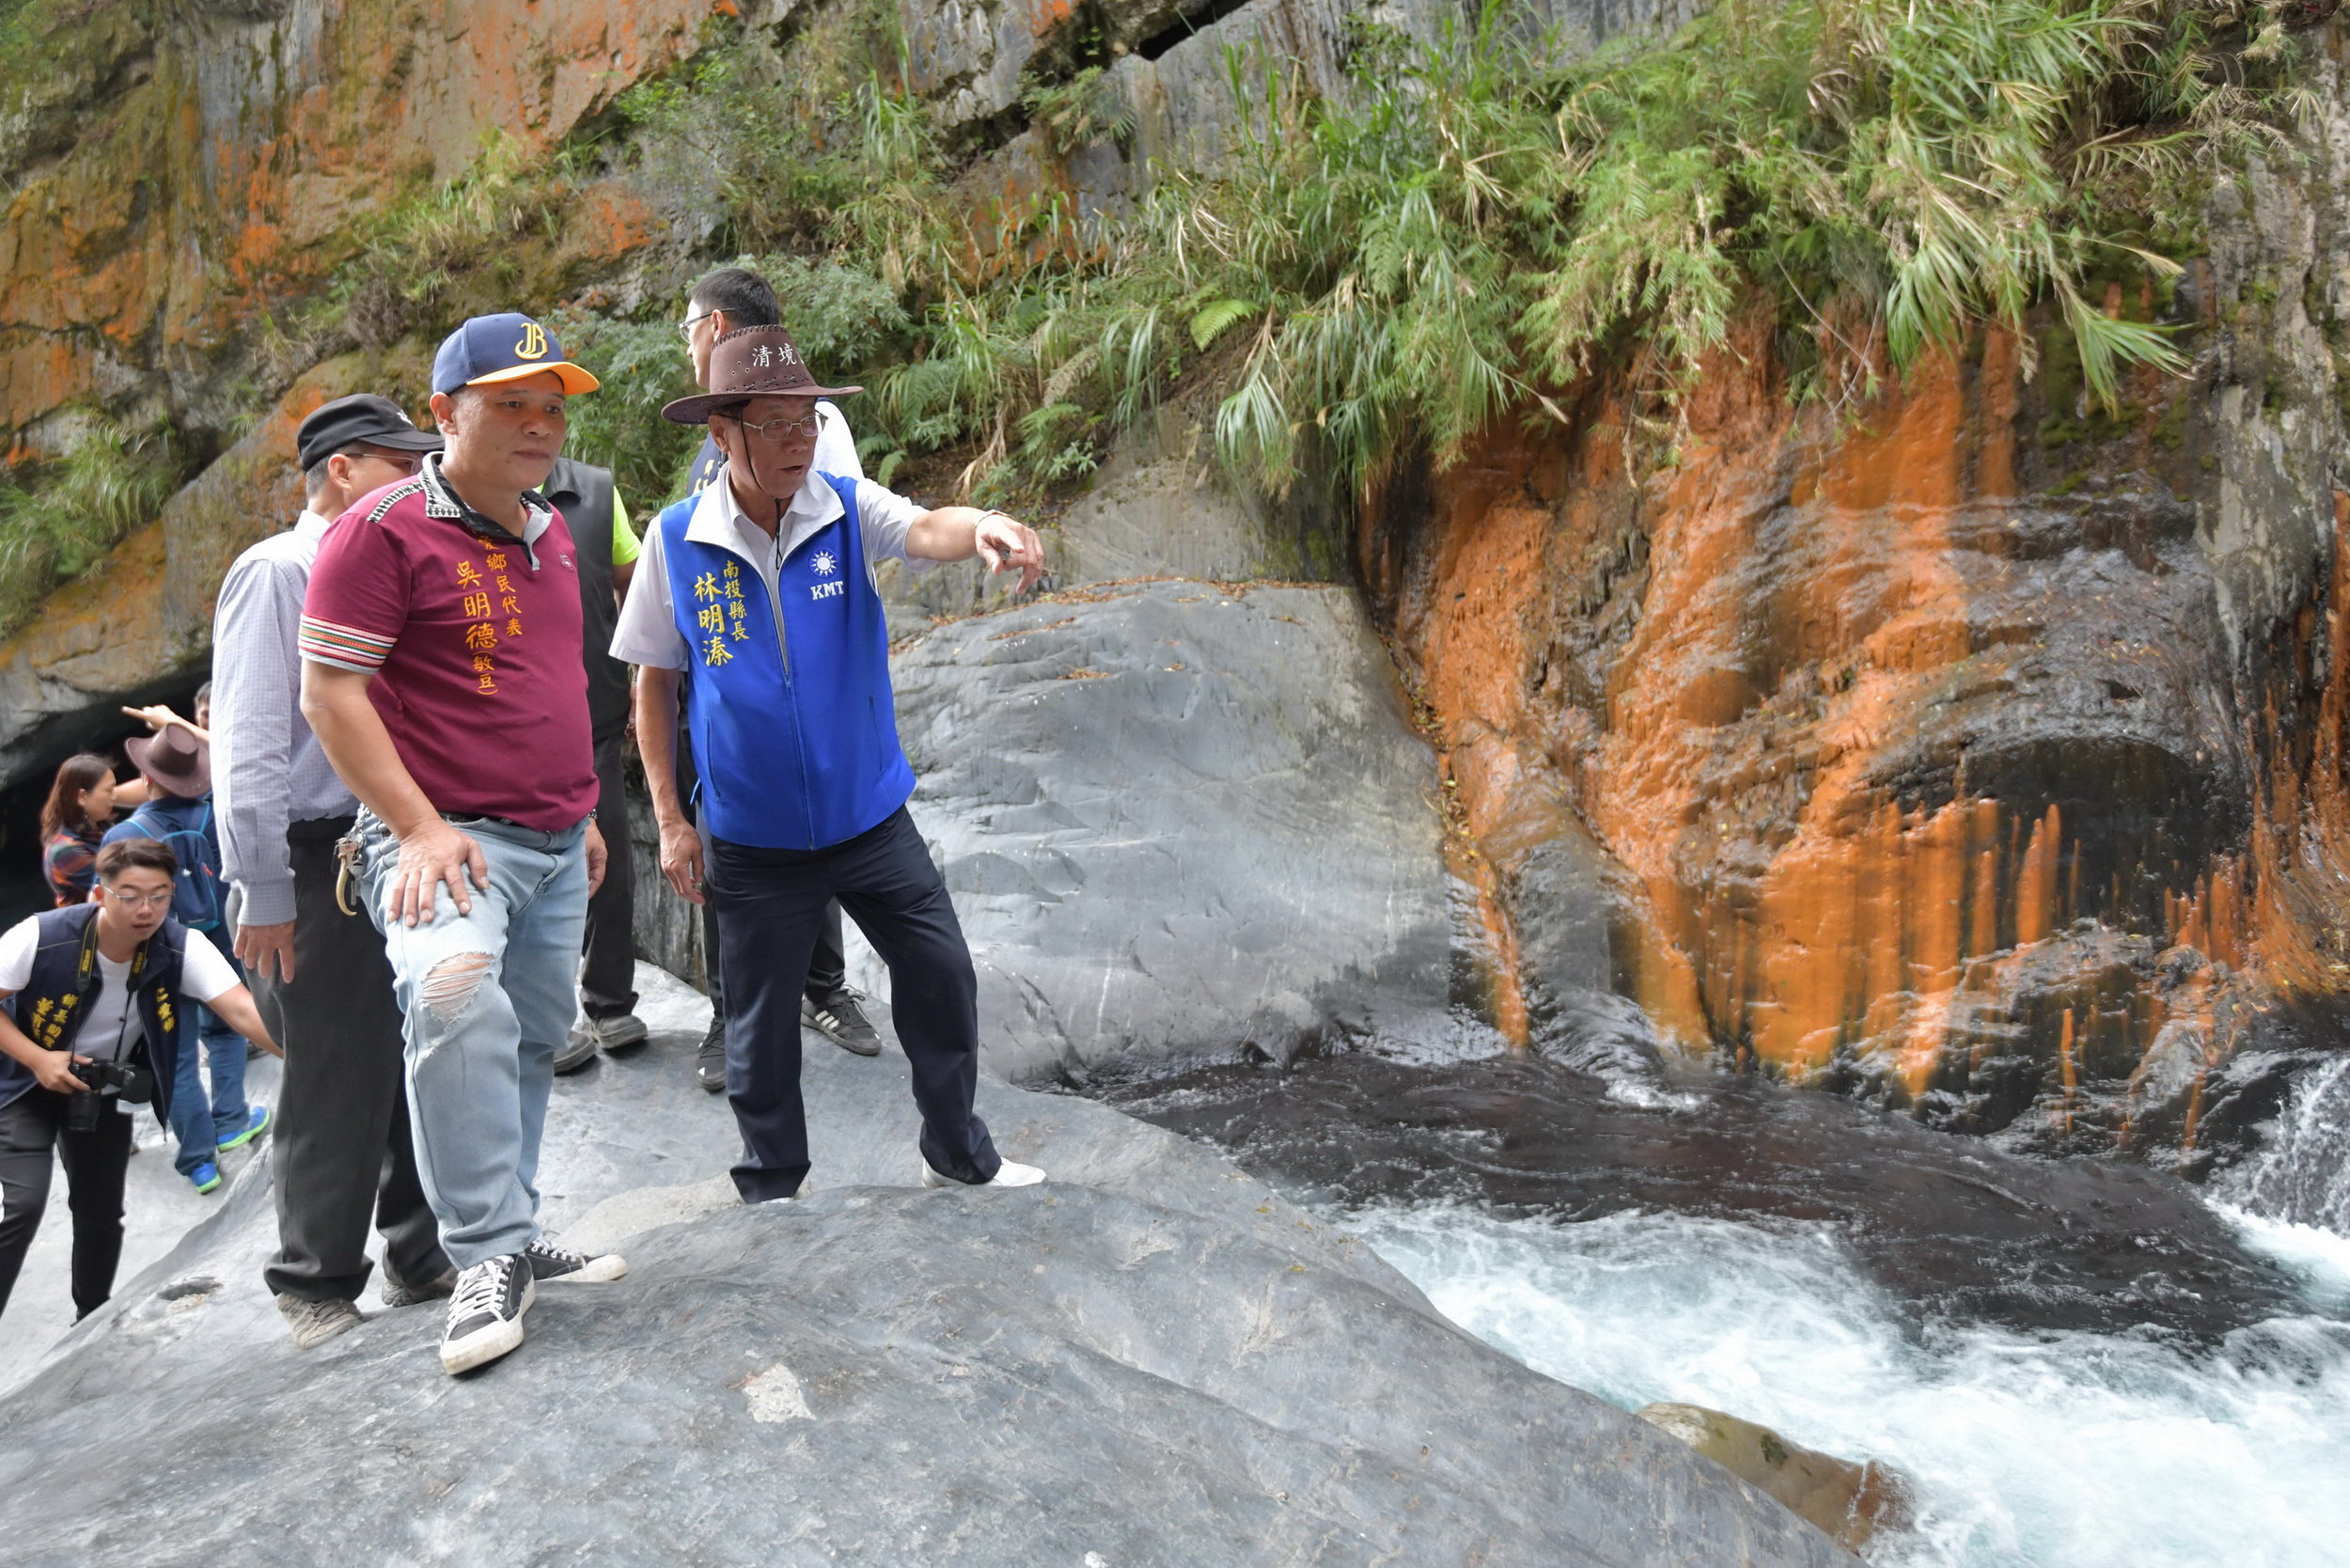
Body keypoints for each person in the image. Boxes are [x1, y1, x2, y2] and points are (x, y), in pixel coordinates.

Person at [616, 323, 1047, 1201]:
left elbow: (929, 527)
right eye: (773, 425)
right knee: (759, 1022)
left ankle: (959, 1151)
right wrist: (669, 820)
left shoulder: (845, 506)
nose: (797, 443)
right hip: (751, 835)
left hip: (868, 816)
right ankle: (772, 1182)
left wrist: (988, 526)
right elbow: (653, 687)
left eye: (807, 421)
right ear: (721, 433)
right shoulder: (674, 540)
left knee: (942, 974)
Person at [300, 313, 628, 1377]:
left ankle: (514, 1228)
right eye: (511, 404)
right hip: (442, 841)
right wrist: (417, 825)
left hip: (548, 835)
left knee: (533, 1033)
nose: (540, 426)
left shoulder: (548, 531)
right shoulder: (381, 529)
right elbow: (329, 694)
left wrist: (579, 811)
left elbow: (554, 687)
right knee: (451, 994)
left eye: (552, 406)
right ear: (445, 413)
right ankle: (480, 1254)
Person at [212, 391, 453, 1349]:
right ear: (341, 471)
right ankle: (313, 1278)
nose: (419, 482)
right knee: (333, 1070)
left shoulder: (389, 569)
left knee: (420, 1049)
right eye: (403, 466)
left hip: (397, 840)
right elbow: (249, 754)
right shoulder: (278, 571)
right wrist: (263, 891)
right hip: (321, 860)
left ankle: (424, 1252)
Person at [676, 267, 881, 1092]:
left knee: (813, 818)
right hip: (723, 677)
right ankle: (734, 1012)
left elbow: (855, 527)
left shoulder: (808, 423)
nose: (686, 342)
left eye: (688, 327)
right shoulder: (716, 433)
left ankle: (821, 990)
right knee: (729, 839)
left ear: (716, 326)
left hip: (798, 676)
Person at [0, 839, 280, 1325]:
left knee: (101, 1214)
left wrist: (309, 1058)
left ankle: (88, 1320)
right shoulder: (42, 936)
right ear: (99, 894)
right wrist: (39, 1058)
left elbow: (240, 1009)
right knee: (22, 1203)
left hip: (96, 1091)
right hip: (24, 1085)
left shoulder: (180, 945)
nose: (145, 909)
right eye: (129, 895)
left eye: (159, 895)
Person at [102, 715, 268, 1195]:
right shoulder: (211, 815)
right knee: (227, 1032)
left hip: (158, 952)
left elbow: (113, 909)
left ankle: (199, 1161)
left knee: (173, 1053)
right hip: (217, 939)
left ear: (147, 778)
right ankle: (233, 1121)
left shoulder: (122, 838)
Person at [542, 456, 650, 1073]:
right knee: (523, 864)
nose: (535, 423)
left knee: (608, 856)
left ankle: (609, 1002)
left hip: (594, 712)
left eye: (550, 407)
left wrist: (637, 670)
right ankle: (543, 1019)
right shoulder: (459, 495)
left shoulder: (595, 491)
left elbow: (633, 579)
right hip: (501, 724)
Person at [39, 755, 119, 907]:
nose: (115, 796)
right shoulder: (64, 850)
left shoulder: (101, 826)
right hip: (89, 928)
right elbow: (121, 883)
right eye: (109, 790)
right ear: (82, 796)